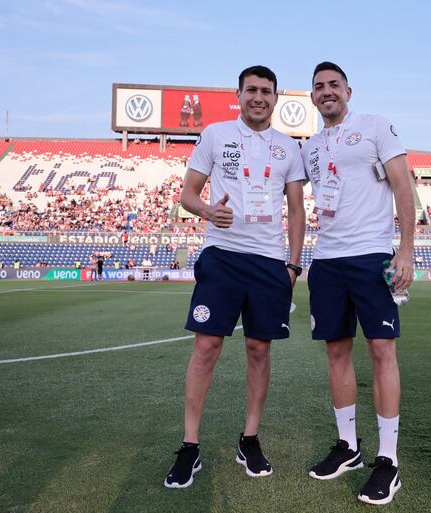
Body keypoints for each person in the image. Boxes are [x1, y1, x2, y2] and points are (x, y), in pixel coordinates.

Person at [164, 65, 305, 489]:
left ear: (275, 98)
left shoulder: (289, 148)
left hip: (268, 261)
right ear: (239, 95)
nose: (258, 97)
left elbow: (296, 210)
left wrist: (293, 266)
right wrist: (208, 211)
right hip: (222, 256)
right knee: (206, 347)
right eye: (251, 91)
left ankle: (250, 438)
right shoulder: (214, 134)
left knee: (259, 350)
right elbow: (188, 194)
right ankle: (190, 446)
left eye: (266, 91)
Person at [302, 61, 414, 505]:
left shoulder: (375, 127)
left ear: (348, 90)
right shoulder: (309, 147)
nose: (326, 91)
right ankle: (348, 447)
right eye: (319, 87)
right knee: (336, 351)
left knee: (383, 349)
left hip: (371, 255)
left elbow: (403, 187)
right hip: (327, 260)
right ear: (312, 97)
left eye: (334, 85)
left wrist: (404, 249)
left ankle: (388, 460)